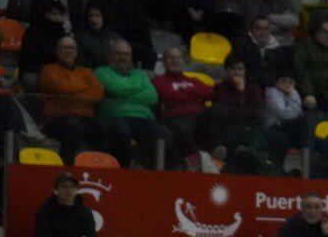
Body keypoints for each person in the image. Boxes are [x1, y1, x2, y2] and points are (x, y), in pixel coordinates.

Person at [96, 39, 172, 167]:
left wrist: (123, 92)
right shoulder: (102, 72)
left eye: (126, 54)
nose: (123, 57)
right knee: (120, 131)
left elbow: (151, 96)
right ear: (111, 56)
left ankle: (142, 165)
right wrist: (137, 89)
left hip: (143, 119)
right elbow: (114, 87)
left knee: (163, 132)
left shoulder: (140, 74)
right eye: (119, 53)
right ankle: (123, 169)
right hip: (116, 118)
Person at [38, 35, 105, 164]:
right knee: (73, 126)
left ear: (76, 51)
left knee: (104, 127)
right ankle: (66, 165)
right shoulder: (48, 70)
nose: (67, 51)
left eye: (71, 48)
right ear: (57, 51)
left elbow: (98, 93)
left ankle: (100, 166)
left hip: (84, 118)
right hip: (57, 118)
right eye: (64, 47)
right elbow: (58, 86)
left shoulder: (87, 72)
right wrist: (85, 88)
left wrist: (73, 93)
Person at [153, 47, 212, 162]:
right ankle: (198, 158)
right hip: (177, 117)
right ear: (164, 63)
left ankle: (214, 155)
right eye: (171, 58)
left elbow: (209, 92)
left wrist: (182, 90)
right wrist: (192, 92)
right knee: (184, 127)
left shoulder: (193, 80)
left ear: (183, 62)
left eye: (178, 58)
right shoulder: (158, 80)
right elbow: (167, 94)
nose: (175, 60)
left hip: (199, 116)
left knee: (218, 113)